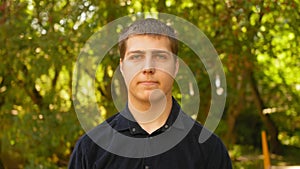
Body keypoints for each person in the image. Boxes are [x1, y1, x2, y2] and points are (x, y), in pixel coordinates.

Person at [68, 18, 232, 169]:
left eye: (160, 56)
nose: (148, 68)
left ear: (176, 67)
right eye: (136, 57)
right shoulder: (90, 149)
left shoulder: (209, 149)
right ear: (122, 67)